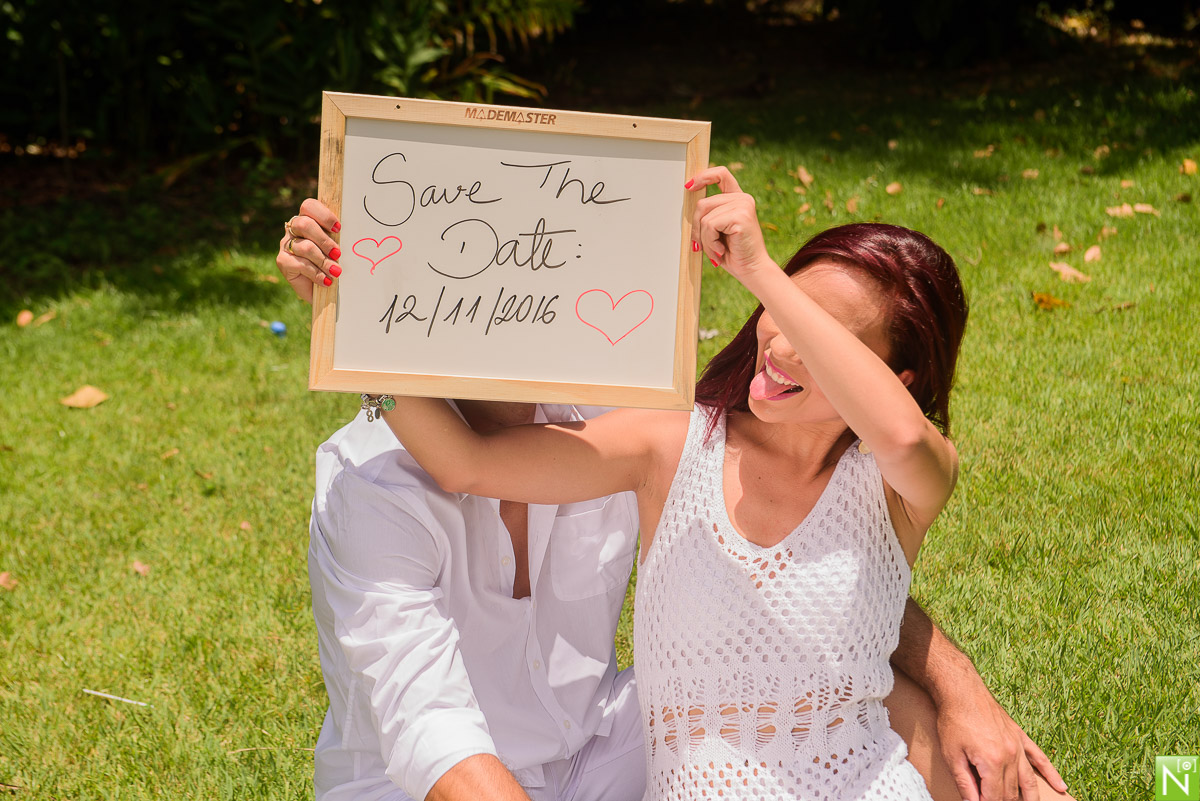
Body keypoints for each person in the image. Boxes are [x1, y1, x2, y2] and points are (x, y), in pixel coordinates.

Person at [277, 192, 1073, 801]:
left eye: (825, 333)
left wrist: (961, 684)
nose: (782, 339)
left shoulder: (894, 475)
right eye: (780, 306)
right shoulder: (653, 440)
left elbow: (828, 570)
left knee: (897, 708)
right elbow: (432, 723)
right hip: (438, 783)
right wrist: (355, 335)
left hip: (612, 748)